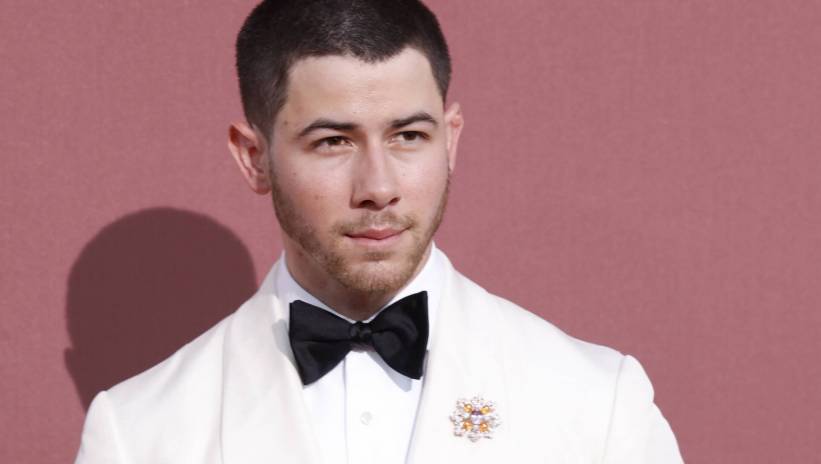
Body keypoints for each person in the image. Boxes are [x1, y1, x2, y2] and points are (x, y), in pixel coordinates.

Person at [74, 0, 683, 462]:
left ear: (451, 140)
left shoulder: (598, 403)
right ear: (254, 158)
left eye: (408, 136)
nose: (379, 186)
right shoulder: (139, 434)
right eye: (332, 142)